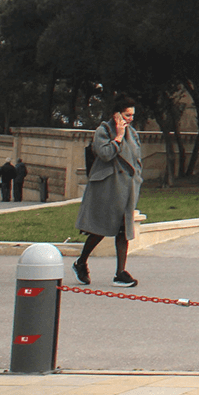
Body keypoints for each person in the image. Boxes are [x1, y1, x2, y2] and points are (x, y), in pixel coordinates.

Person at [73, 96, 143, 288]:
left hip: (126, 189)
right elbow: (104, 154)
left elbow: (137, 159)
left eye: (132, 115)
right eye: (127, 115)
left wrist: (137, 179)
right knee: (100, 230)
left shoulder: (134, 133)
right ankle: (81, 262)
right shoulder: (103, 130)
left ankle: (120, 273)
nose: (130, 119)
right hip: (107, 189)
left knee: (123, 230)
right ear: (116, 114)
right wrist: (118, 137)